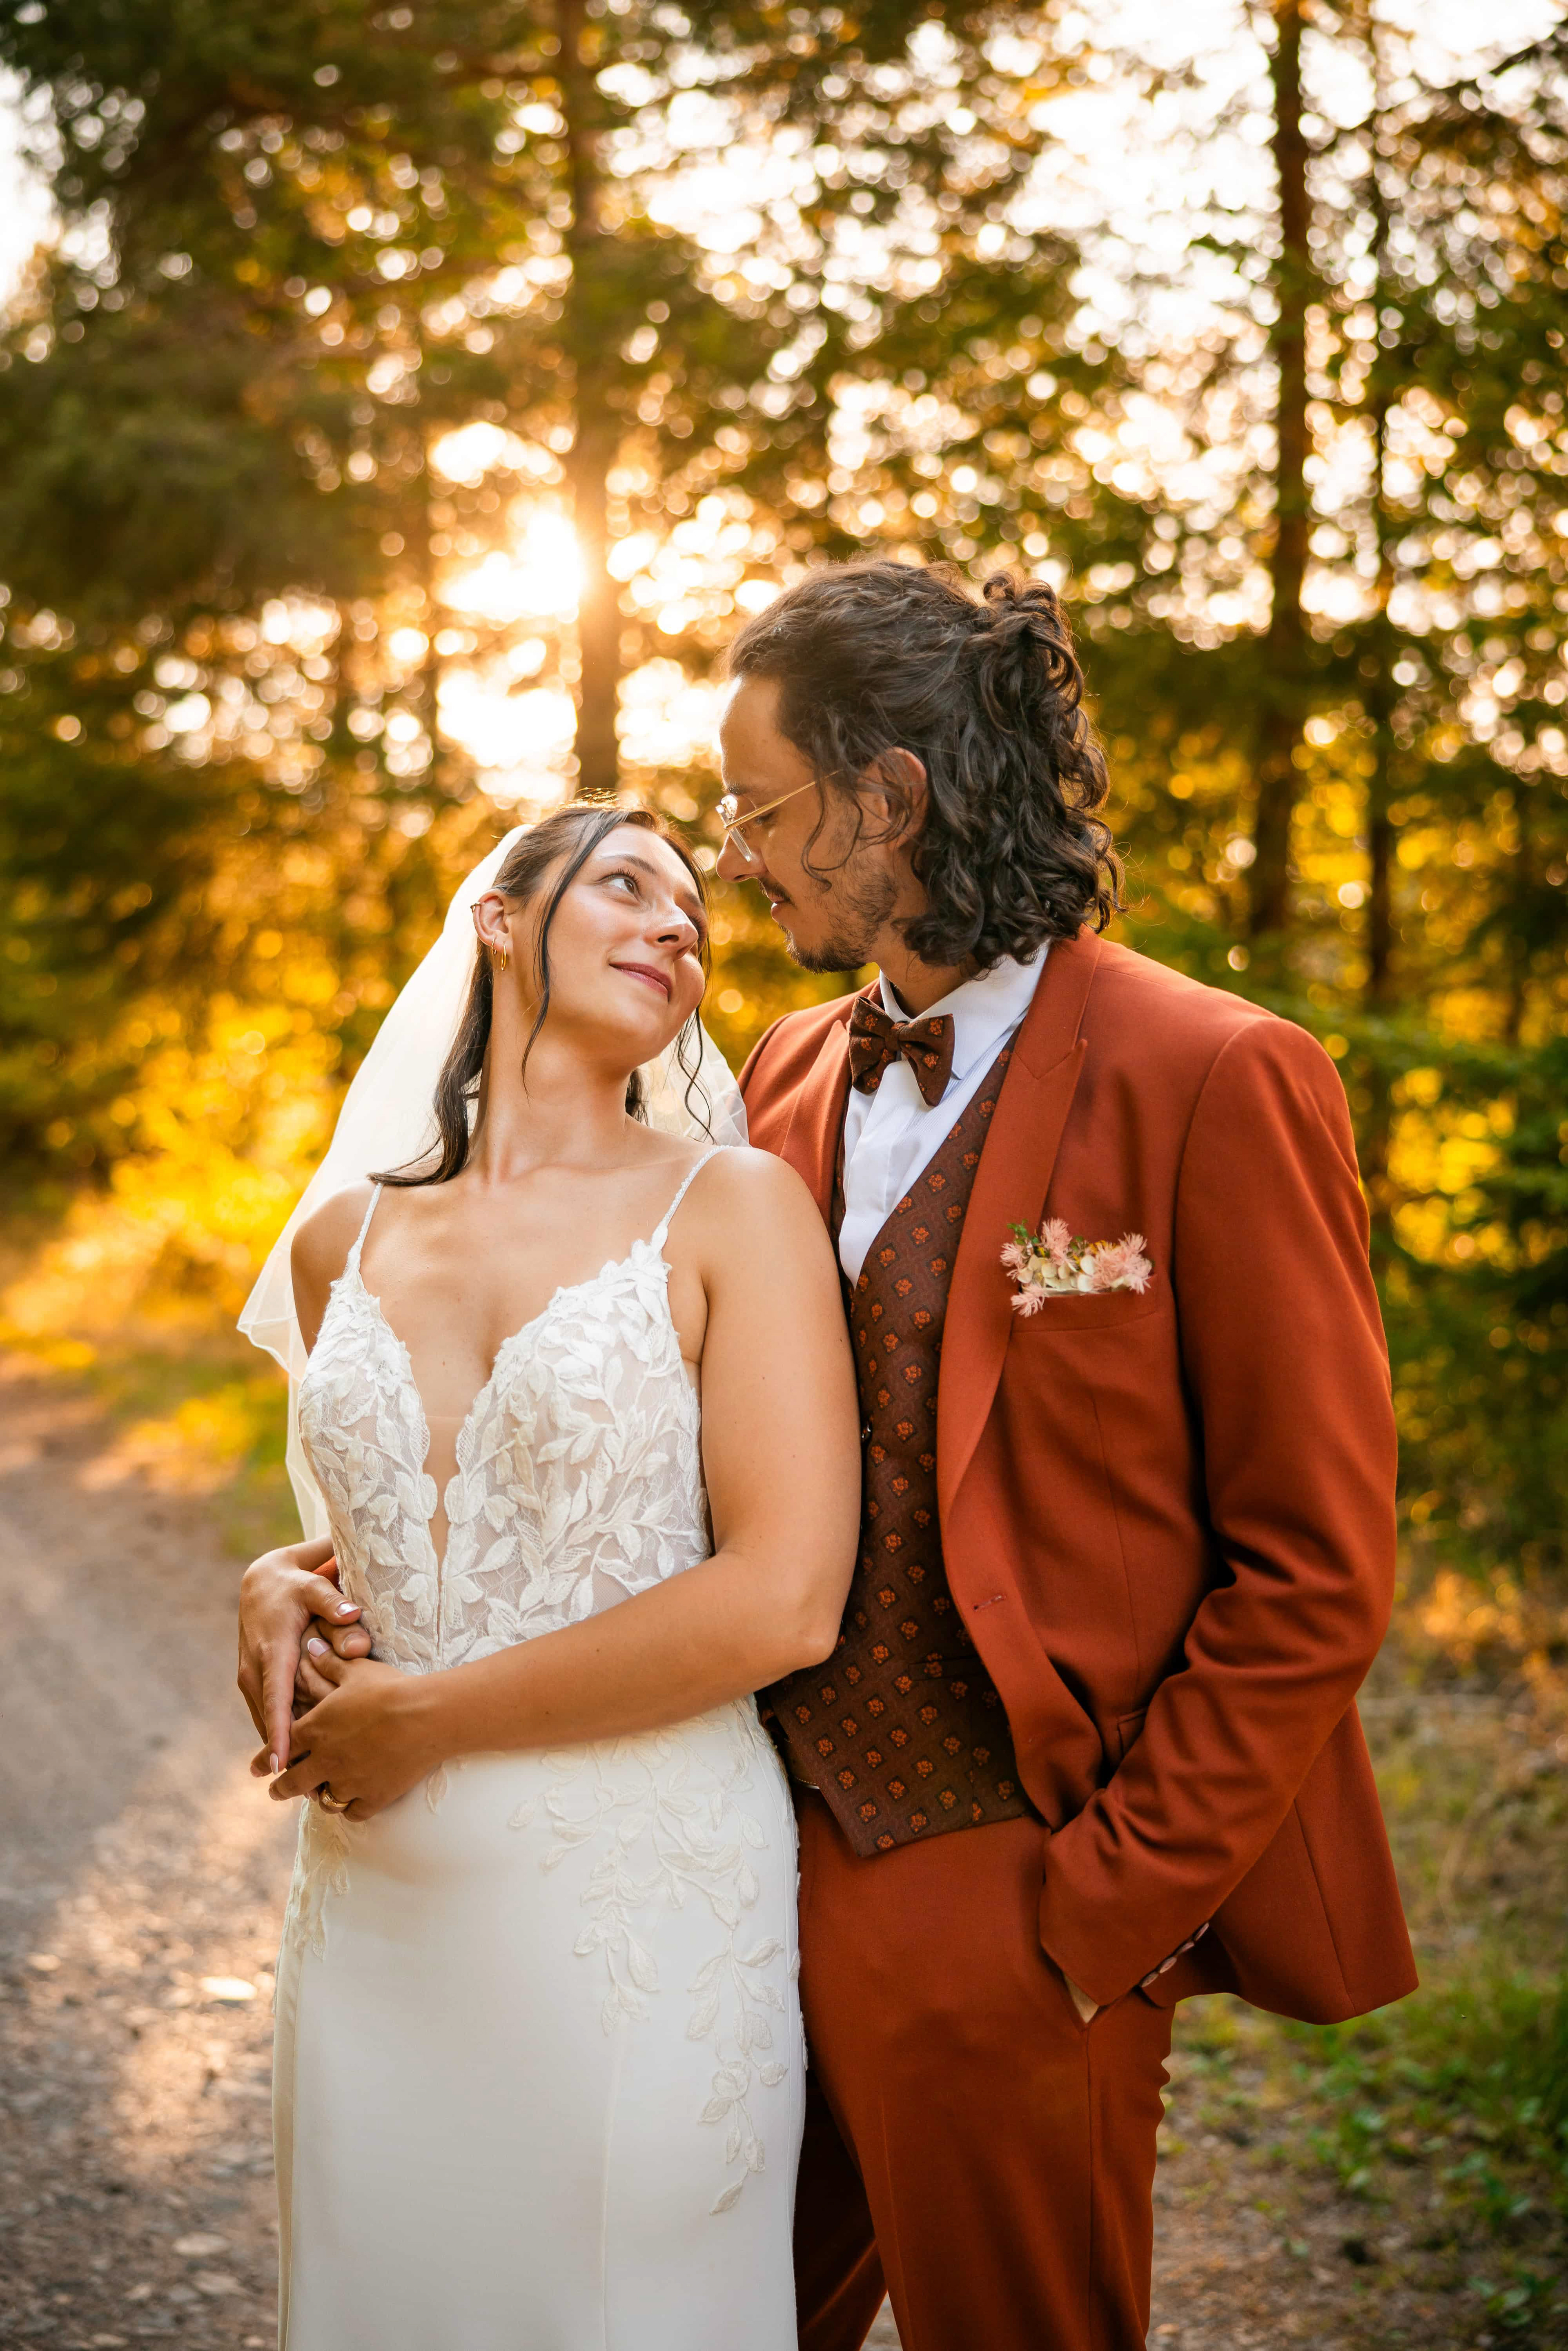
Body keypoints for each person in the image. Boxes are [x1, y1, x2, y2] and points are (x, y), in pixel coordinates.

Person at [254, 557, 1416, 2351]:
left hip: (1011, 1888)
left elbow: (1319, 1565)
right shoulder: (783, 1076)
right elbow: (607, 1444)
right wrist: (307, 1570)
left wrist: (1100, 1902)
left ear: (888, 800)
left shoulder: (1217, 1073)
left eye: (758, 809)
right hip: (714, 1881)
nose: (733, 862)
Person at [234, 802, 860, 2351]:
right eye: (625, 885)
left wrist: (430, 1718)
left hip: (634, 1914)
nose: (677, 925)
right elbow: (418, 1528)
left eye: (694, 913)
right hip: (375, 1904)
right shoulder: (339, 1240)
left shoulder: (733, 1206)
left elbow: (784, 1597)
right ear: (500, 919)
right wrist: (275, 1578)